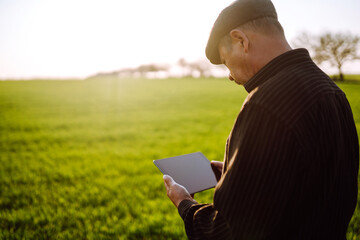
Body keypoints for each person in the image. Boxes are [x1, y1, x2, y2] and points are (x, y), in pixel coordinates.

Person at [163, 0, 359, 239]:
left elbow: (229, 231)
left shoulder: (266, 104)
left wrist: (184, 204)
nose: (230, 77)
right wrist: (242, 175)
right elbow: (315, 185)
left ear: (241, 41)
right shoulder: (330, 90)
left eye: (226, 61)